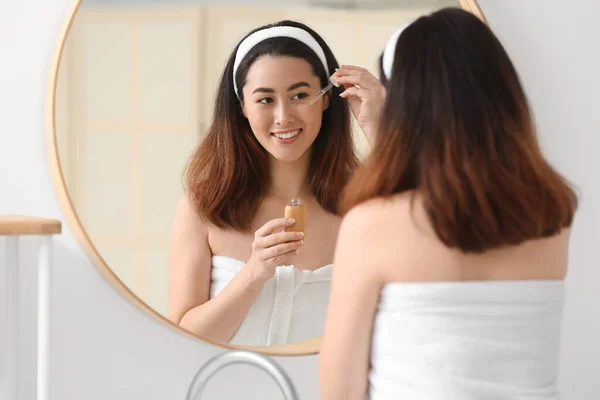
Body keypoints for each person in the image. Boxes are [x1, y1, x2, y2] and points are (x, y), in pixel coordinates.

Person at [319, 7, 578, 400]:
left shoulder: (373, 226)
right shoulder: (551, 216)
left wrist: (383, 135)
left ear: (406, 108)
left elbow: (339, 392)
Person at [168, 20, 359, 346]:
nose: (283, 117)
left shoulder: (364, 206)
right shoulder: (202, 207)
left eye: (300, 95)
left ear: (326, 98)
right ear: (241, 105)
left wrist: (380, 125)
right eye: (265, 100)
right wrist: (255, 272)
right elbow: (183, 339)